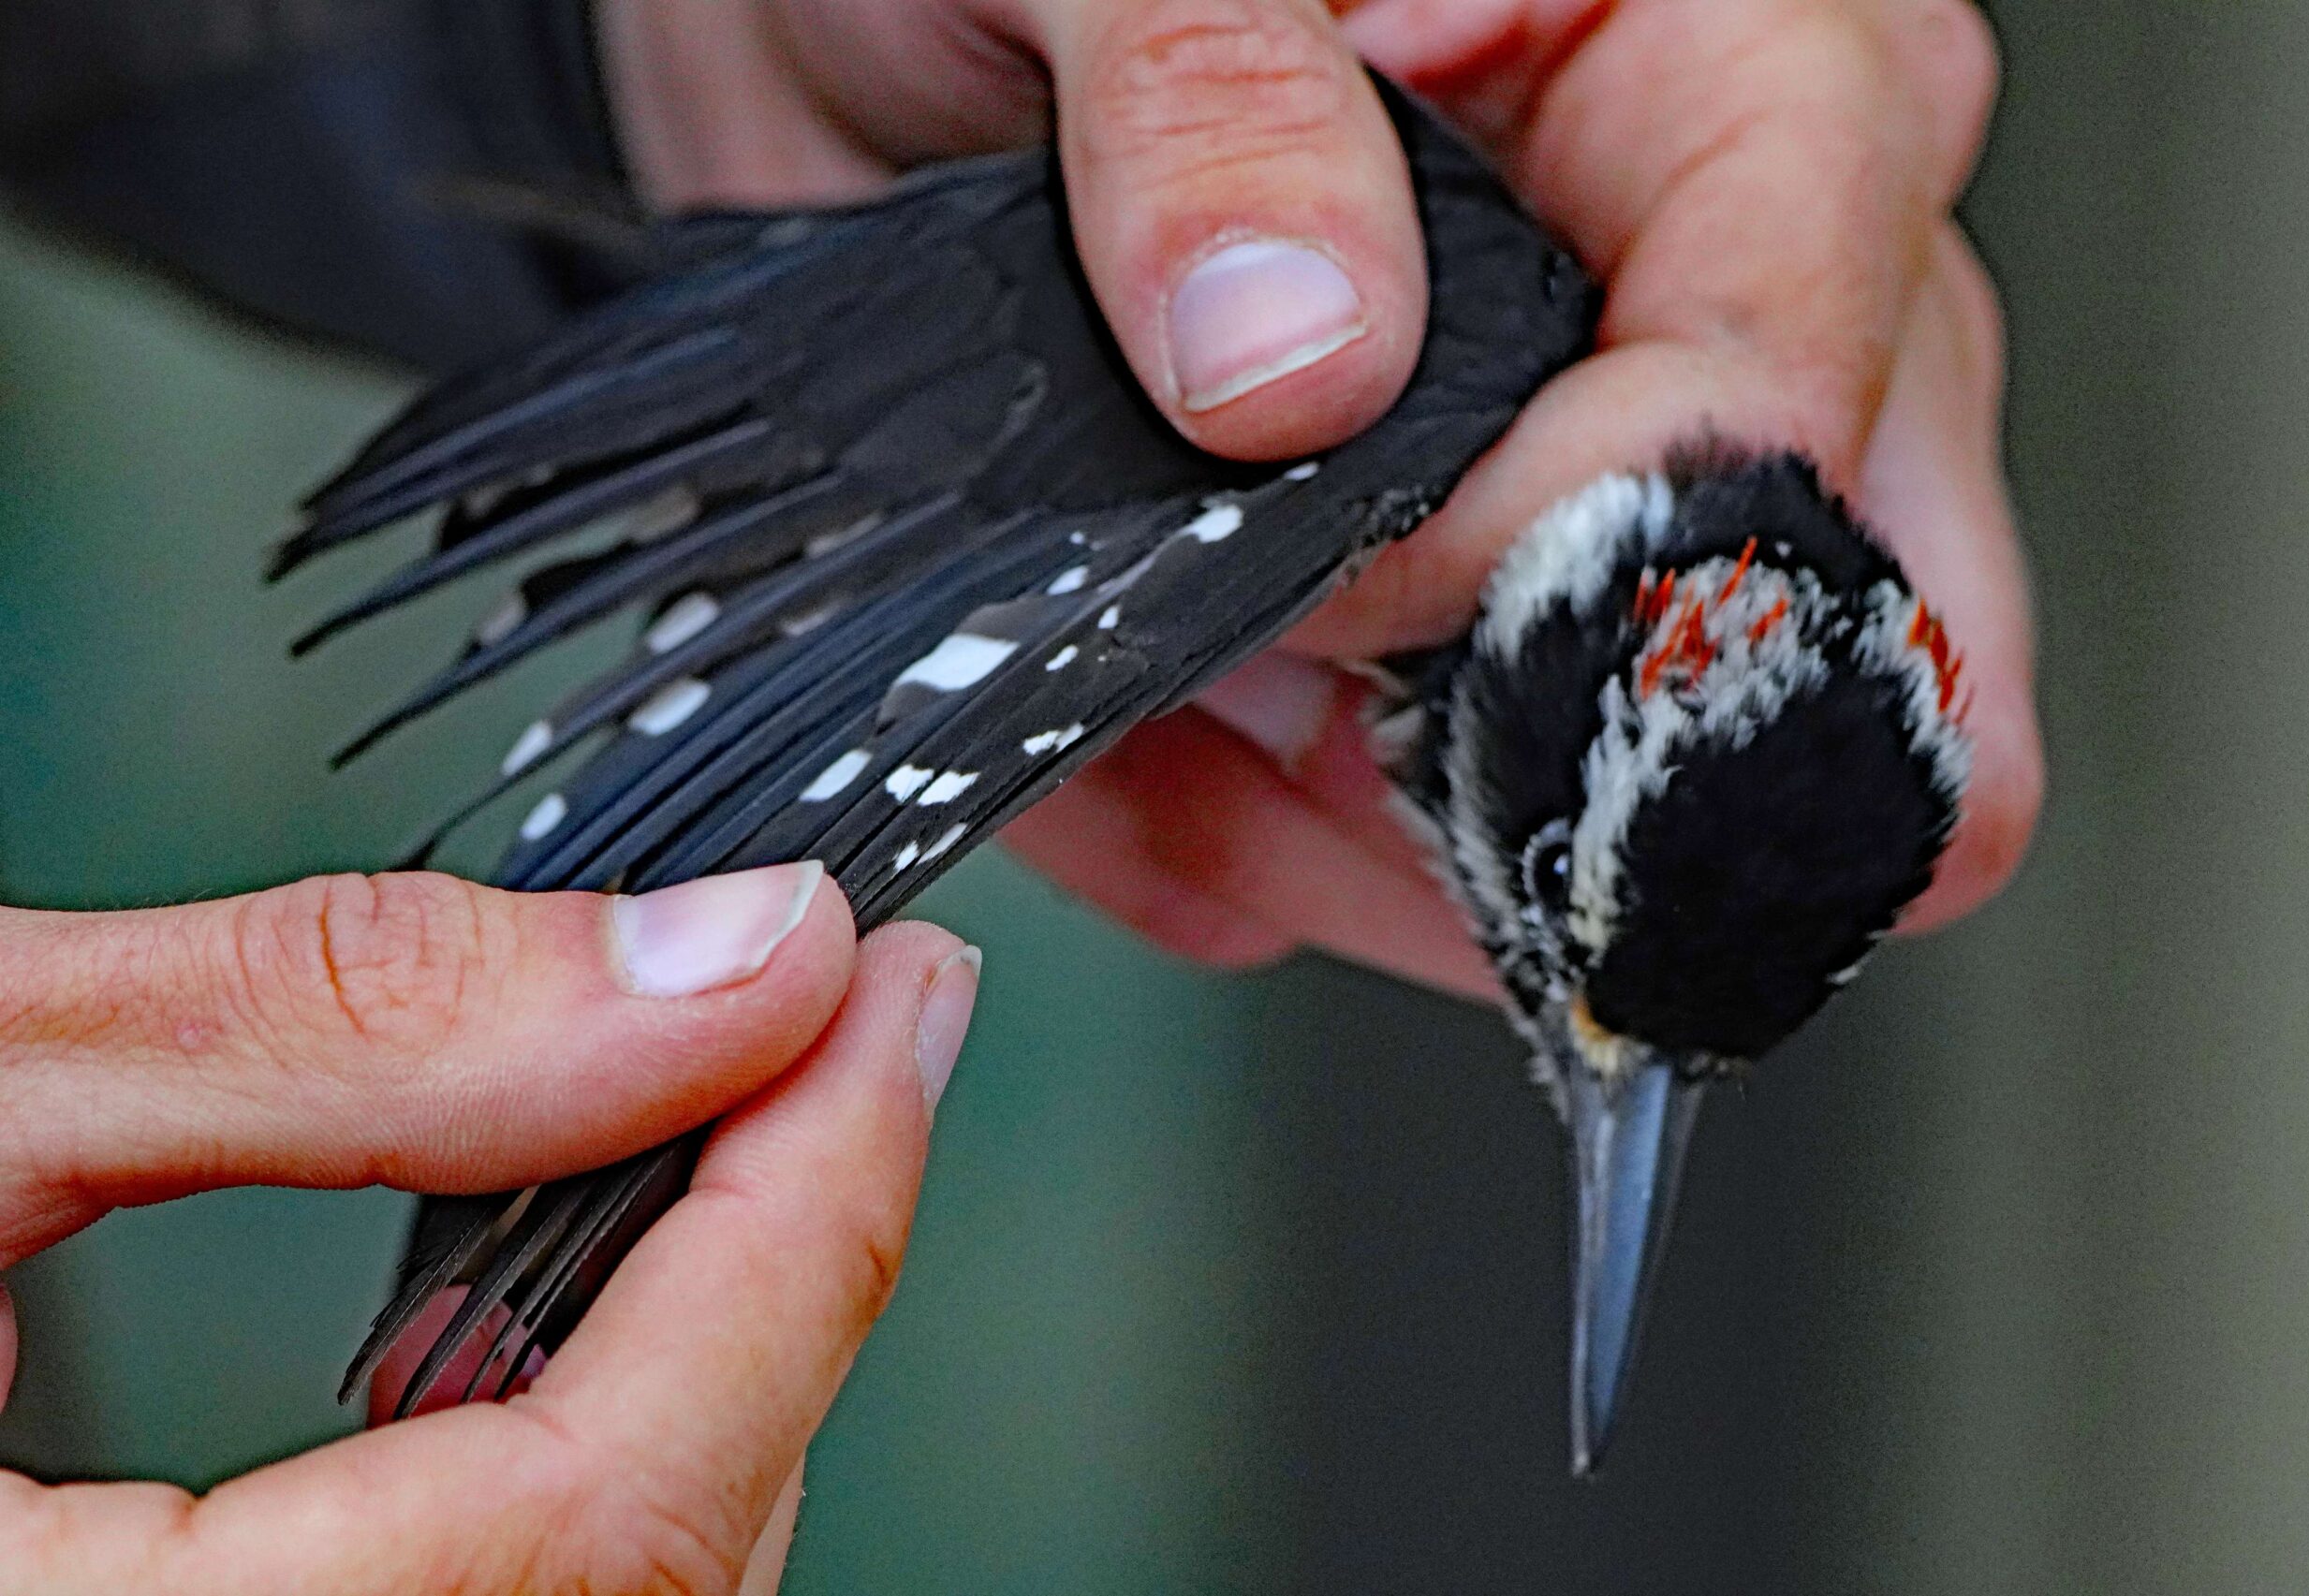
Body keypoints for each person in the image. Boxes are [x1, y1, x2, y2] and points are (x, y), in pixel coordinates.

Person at [0, 1, 2040, 1590]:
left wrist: (658, 42)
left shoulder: (1471, 344)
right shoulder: (1432, 361)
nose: (1593, 1095)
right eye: (1570, 960)